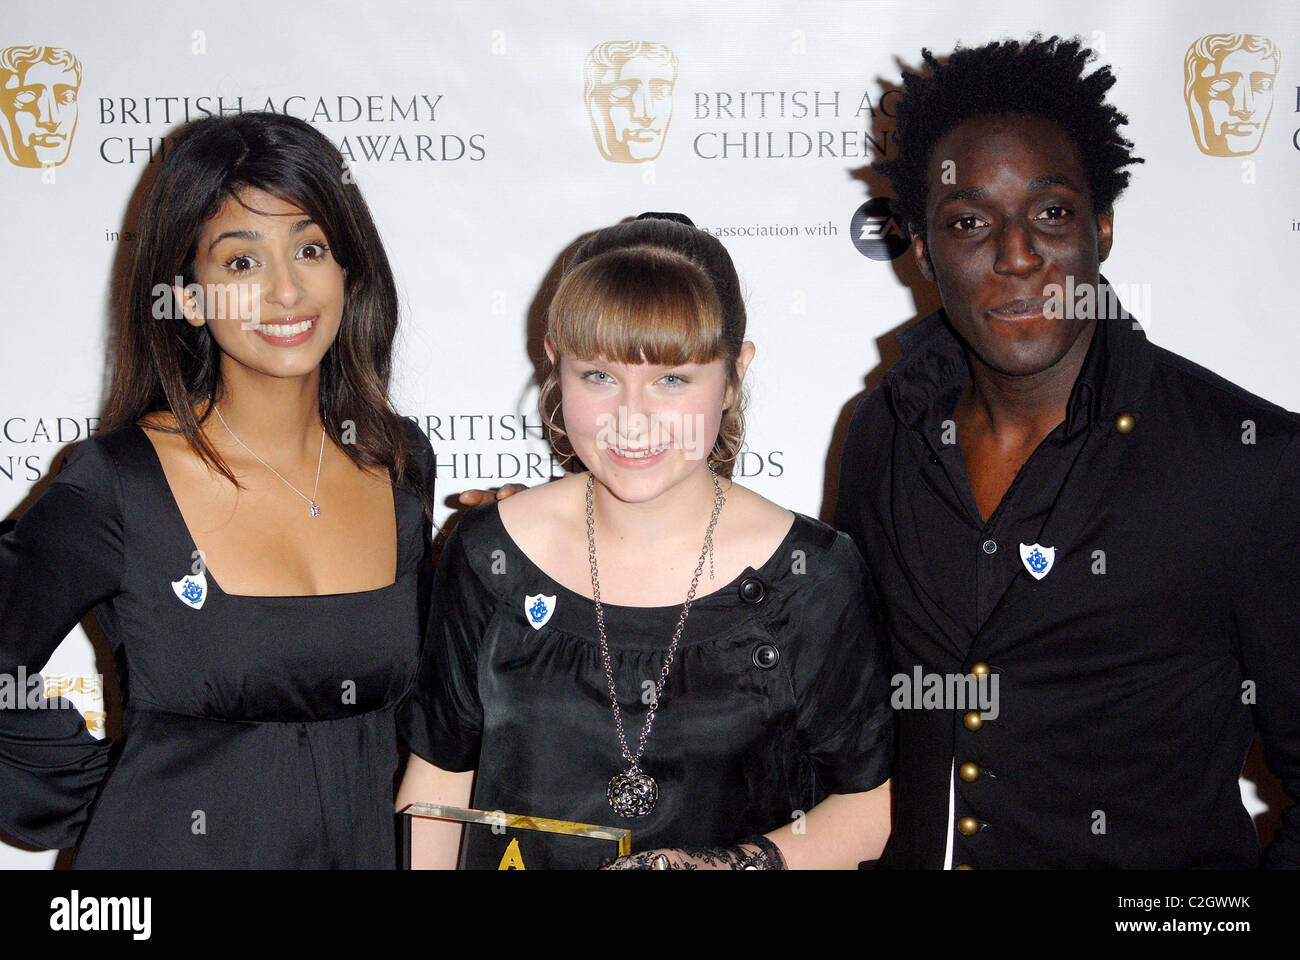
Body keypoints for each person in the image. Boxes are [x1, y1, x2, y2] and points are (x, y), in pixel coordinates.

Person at [835, 36, 1300, 868]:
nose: (1017, 257)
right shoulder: (882, 437)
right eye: (969, 222)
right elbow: (841, 697)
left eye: (1050, 213)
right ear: (921, 248)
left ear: (1104, 226)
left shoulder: (1251, 462)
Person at [0, 111, 435, 868]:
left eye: (311, 248)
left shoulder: (398, 466)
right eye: (241, 263)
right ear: (189, 297)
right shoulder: (120, 483)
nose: (287, 291)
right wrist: (110, 801)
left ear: (349, 269)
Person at [398, 214, 893, 869]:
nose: (631, 420)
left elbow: (876, 804)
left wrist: (724, 868)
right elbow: (437, 784)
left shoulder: (814, 575)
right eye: (598, 376)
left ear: (735, 371)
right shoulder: (489, 555)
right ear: (556, 363)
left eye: (672, 379)